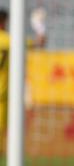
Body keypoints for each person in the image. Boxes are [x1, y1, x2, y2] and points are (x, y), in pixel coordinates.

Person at [0, 8, 47, 145]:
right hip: (2, 96)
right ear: (4, 22)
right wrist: (39, 26)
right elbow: (40, 43)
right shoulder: (10, 40)